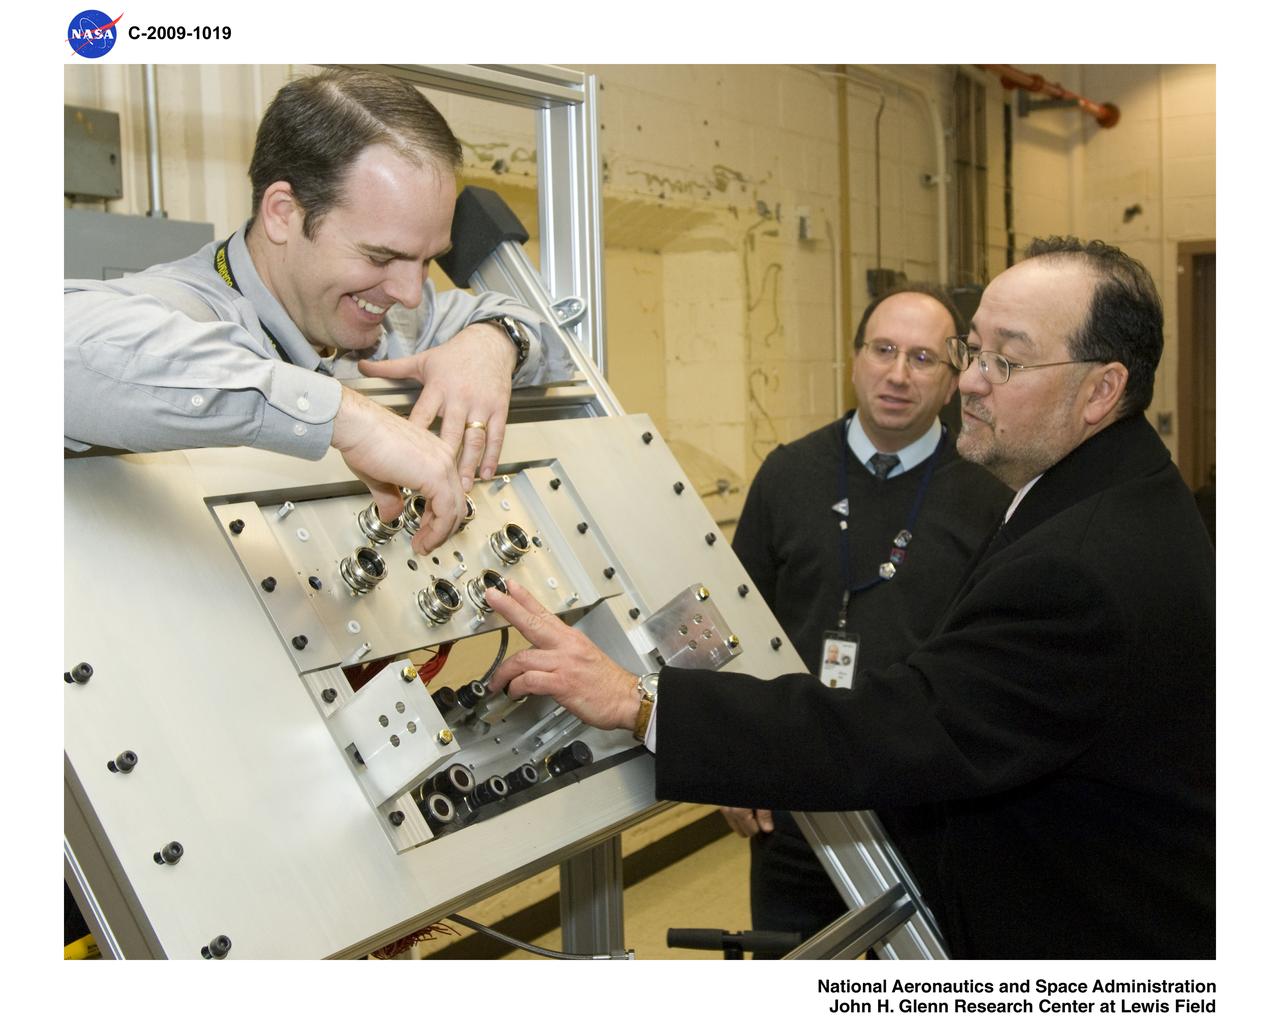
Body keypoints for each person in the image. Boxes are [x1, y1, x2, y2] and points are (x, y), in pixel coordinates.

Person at [485, 237, 1215, 958]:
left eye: (1006, 361)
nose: (969, 383)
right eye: (975, 353)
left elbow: (907, 724)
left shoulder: (1081, 563)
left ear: (1101, 390)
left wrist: (642, 703)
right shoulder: (1118, 497)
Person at [65, 68, 566, 554]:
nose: (411, 292)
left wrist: (496, 343)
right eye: (381, 257)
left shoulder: (396, 321)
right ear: (283, 213)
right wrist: (349, 418)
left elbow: (553, 338)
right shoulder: (187, 310)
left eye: (427, 259)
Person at [720, 285, 1009, 952]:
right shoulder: (788, 475)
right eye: (883, 350)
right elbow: (734, 628)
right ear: (854, 362)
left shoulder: (987, 491)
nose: (898, 374)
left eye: (923, 358)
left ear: (953, 380)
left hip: (930, 813)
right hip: (795, 813)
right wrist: (732, 762)